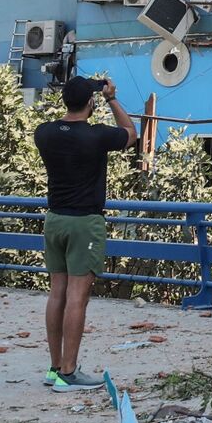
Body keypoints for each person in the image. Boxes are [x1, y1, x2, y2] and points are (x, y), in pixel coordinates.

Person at [34, 75, 143, 392]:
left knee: (57, 294)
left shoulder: (45, 133)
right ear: (90, 103)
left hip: (54, 219)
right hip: (85, 222)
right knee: (77, 298)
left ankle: (55, 368)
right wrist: (112, 99)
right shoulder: (95, 136)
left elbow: (66, 127)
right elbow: (131, 134)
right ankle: (69, 372)